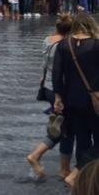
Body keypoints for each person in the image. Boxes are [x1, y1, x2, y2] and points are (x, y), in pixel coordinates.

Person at [53, 12, 99, 187]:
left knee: (82, 140)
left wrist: (58, 97)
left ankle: (83, 181)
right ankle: (78, 174)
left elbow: (57, 75)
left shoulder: (64, 45)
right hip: (95, 101)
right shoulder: (96, 45)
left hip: (72, 100)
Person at [26, 15, 74, 179]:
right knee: (66, 130)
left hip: (46, 87)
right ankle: (39, 157)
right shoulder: (65, 45)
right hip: (58, 89)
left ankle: (62, 167)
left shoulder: (47, 40)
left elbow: (45, 64)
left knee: (62, 126)